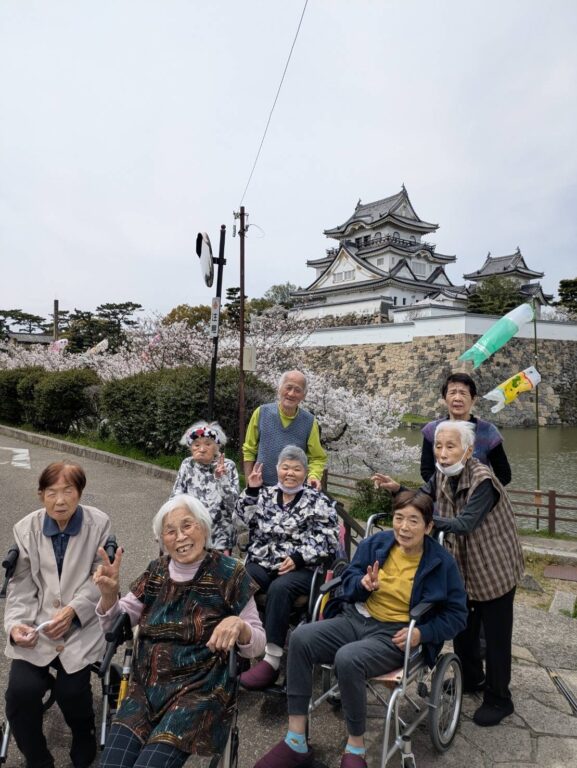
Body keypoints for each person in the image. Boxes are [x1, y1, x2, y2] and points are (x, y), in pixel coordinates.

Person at [253, 490, 467, 768]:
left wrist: (422, 634)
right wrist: (362, 585)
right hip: (355, 618)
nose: (403, 527)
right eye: (398, 518)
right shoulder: (377, 543)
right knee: (302, 638)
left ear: (428, 526)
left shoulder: (441, 563)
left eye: (413, 520)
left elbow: (457, 615)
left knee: (348, 658)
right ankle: (295, 740)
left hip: (396, 633)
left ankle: (355, 747)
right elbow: (349, 579)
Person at [94, 494, 265, 768]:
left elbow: (257, 645)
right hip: (146, 688)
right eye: (170, 531)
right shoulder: (156, 571)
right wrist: (109, 596)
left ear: (204, 527)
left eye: (188, 526)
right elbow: (117, 624)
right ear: (162, 540)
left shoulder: (230, 573)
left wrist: (240, 625)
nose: (180, 536)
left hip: (199, 691)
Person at [375, 419, 524, 727]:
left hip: (494, 564)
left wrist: (425, 525)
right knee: (464, 627)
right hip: (464, 564)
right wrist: (397, 490)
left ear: (468, 450)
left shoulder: (483, 479)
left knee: (495, 636)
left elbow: (464, 523)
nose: (442, 453)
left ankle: (499, 698)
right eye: (438, 446)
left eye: (450, 446)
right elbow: (422, 500)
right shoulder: (442, 476)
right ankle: (471, 680)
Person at [4, 461, 111, 768]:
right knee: (20, 695)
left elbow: (99, 575)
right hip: (38, 627)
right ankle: (37, 757)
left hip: (81, 626)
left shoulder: (98, 523)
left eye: (68, 491)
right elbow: (21, 586)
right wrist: (15, 627)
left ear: (80, 493)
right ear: (41, 495)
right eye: (52, 492)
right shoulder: (26, 529)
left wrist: (75, 610)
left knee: (73, 691)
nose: (60, 500)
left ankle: (84, 733)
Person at [235, 445, 339, 690]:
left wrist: (300, 557)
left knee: (280, 589)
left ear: (305, 472)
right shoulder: (266, 494)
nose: (290, 473)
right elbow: (242, 520)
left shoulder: (317, 500)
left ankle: (271, 660)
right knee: (240, 578)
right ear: (277, 469)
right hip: (263, 560)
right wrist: (251, 489)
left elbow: (329, 539)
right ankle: (239, 647)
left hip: (301, 568)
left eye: (296, 468)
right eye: (285, 467)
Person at [420, 372, 511, 485]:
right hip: (442, 497)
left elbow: (504, 475)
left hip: (479, 499)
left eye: (463, 393)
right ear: (444, 398)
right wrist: (445, 491)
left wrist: (484, 493)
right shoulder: (432, 430)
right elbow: (426, 471)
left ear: (473, 399)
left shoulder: (488, 431)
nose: (457, 398)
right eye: (452, 393)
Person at [242, 370, 327, 488]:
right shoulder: (261, 413)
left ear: (304, 395)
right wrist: (249, 483)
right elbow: (249, 450)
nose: (291, 394)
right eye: (288, 387)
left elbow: (317, 457)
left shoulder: (309, 422)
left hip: (293, 490)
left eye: (297, 390)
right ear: (280, 389)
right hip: (261, 486)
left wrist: (313, 476)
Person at [170, 420, 239, 551]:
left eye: (208, 444)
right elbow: (176, 497)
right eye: (196, 445)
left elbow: (234, 506)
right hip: (191, 531)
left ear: (216, 447)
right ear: (190, 448)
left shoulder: (228, 466)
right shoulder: (187, 464)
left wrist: (221, 479)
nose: (202, 449)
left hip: (221, 534)